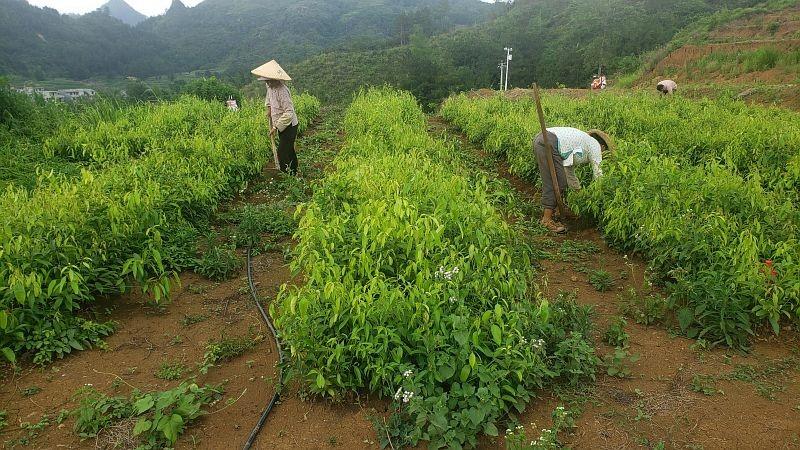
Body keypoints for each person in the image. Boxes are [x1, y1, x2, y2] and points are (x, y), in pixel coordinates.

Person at [532, 128, 613, 233]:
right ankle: (546, 220)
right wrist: (603, 198)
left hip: (542, 139)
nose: (603, 156)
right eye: (605, 152)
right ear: (602, 147)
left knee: (560, 181)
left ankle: (556, 211)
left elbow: (567, 170)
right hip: (548, 141)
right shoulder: (595, 145)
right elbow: (598, 174)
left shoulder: (580, 144)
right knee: (554, 182)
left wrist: (578, 190)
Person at [251, 60, 299, 174]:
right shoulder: (270, 87)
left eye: (268, 81)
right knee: (289, 149)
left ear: (274, 79)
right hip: (280, 125)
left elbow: (289, 112)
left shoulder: (282, 91)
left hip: (289, 126)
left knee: (282, 151)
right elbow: (269, 99)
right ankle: (294, 171)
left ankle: (285, 174)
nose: (266, 83)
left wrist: (275, 127)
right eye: (265, 81)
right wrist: (269, 109)